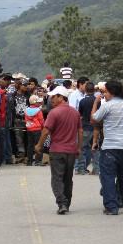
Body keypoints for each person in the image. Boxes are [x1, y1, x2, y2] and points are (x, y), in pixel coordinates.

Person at [91, 81, 123, 215]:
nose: (104, 95)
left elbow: (94, 119)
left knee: (108, 177)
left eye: (105, 92)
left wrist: (96, 102)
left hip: (110, 147)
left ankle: (111, 207)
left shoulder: (107, 106)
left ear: (112, 92)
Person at [34, 86, 82, 214]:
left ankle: (62, 203)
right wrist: (78, 147)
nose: (51, 99)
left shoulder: (54, 113)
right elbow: (80, 131)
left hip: (57, 150)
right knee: (67, 178)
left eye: (54, 97)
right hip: (71, 151)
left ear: (61, 97)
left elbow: (46, 131)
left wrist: (39, 145)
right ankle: (67, 202)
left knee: (57, 178)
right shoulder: (75, 112)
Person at [78, 82, 96, 174]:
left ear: (85, 90)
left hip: (85, 127)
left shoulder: (82, 101)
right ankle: (96, 169)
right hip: (95, 128)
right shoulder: (98, 101)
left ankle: (81, 168)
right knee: (95, 148)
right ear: (94, 90)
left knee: (82, 148)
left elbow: (80, 114)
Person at [25, 95, 44, 166]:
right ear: (35, 103)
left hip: (29, 129)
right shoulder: (38, 111)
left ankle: (29, 161)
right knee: (38, 145)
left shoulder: (26, 110)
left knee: (30, 145)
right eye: (38, 102)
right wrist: (43, 127)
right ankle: (38, 161)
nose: (39, 103)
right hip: (37, 129)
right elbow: (41, 121)